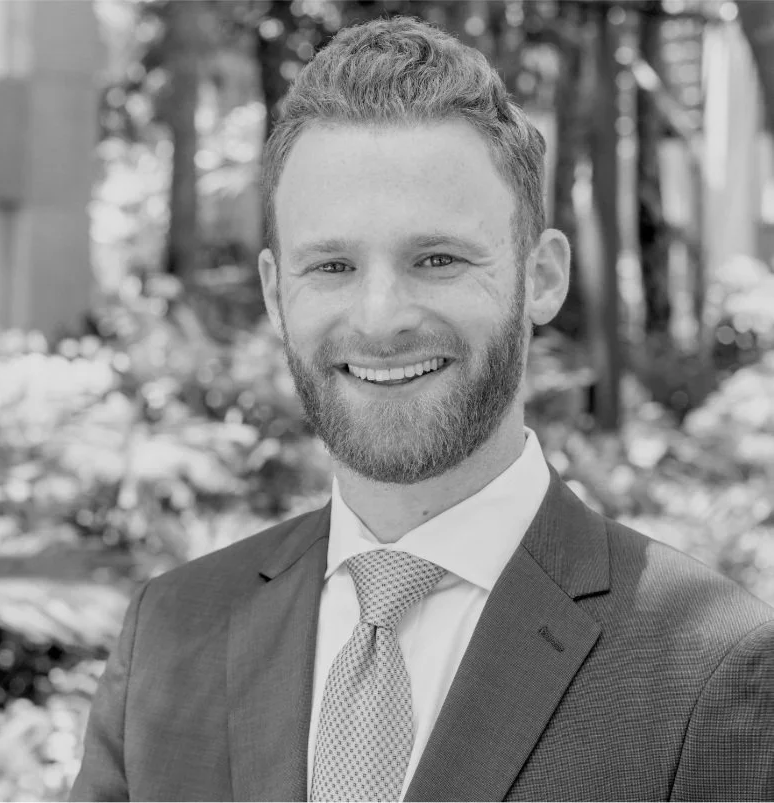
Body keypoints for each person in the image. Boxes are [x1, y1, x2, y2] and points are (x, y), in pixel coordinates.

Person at [72, 16, 773, 802]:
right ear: (275, 292)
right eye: (331, 265)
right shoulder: (169, 632)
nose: (379, 318)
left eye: (436, 258)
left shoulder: (711, 668)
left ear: (541, 277)